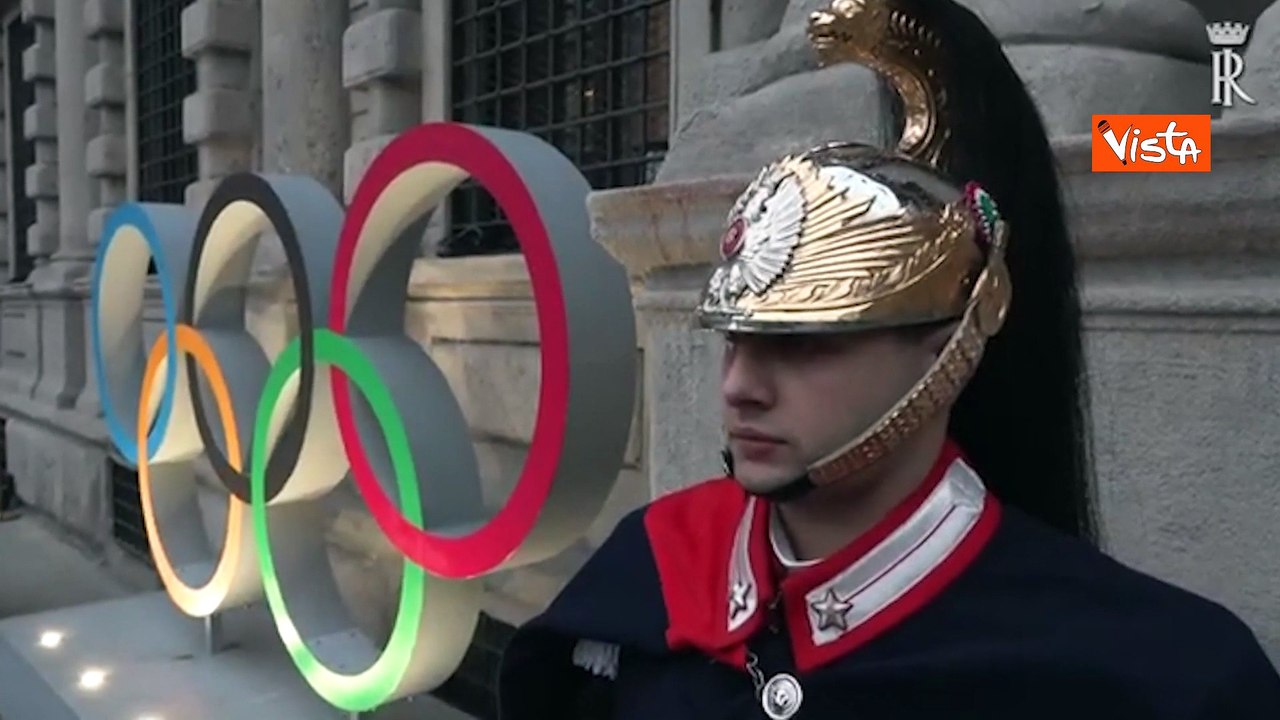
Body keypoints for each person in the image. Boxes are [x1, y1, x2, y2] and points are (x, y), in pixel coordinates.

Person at [496, 0, 1280, 717]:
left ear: (947, 352)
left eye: (803, 342)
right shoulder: (646, 572)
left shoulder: (1155, 678)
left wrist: (1178, 138)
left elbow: (1171, 143)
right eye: (737, 337)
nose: (739, 388)